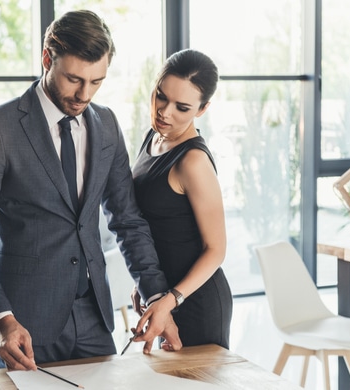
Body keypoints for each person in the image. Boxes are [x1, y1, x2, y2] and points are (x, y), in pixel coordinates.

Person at [0, 10, 181, 372]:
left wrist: (156, 295)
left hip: (95, 317)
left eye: (96, 82)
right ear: (47, 59)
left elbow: (127, 219)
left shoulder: (106, 124)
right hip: (24, 324)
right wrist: (2, 319)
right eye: (74, 79)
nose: (83, 94)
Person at [131, 49, 233, 351]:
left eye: (182, 107)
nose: (165, 112)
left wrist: (171, 298)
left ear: (202, 110)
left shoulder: (193, 161)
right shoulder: (154, 137)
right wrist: (147, 286)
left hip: (196, 302)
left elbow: (216, 250)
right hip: (162, 298)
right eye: (161, 96)